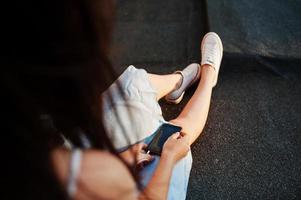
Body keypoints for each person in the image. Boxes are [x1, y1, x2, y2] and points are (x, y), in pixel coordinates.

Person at [1, 0, 223, 199]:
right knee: (172, 139)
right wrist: (169, 158)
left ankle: (178, 82)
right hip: (115, 180)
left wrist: (125, 156)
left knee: (133, 83)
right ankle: (208, 76)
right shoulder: (85, 175)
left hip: (83, 154)